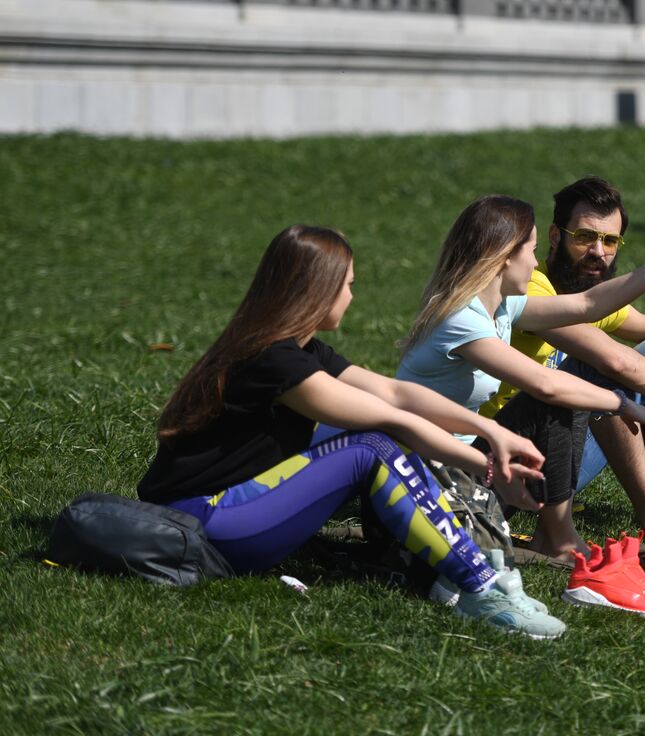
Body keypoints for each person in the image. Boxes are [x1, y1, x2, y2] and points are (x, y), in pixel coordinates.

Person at [135, 225, 566, 640]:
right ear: (319, 289)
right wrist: (490, 464)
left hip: (212, 515)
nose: (352, 296)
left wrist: (488, 431)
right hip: (203, 526)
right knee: (371, 447)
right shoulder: (274, 361)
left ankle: (458, 566)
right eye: (348, 285)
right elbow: (392, 418)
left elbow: (396, 394)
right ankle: (480, 587)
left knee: (373, 440)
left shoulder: (291, 348)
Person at [396, 195, 645, 569]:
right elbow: (545, 386)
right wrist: (624, 403)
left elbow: (586, 304)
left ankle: (559, 536)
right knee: (555, 391)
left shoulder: (503, 305)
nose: (536, 262)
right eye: (531, 251)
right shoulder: (461, 317)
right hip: (436, 481)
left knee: (567, 384)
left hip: (476, 463)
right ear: (503, 257)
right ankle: (560, 539)